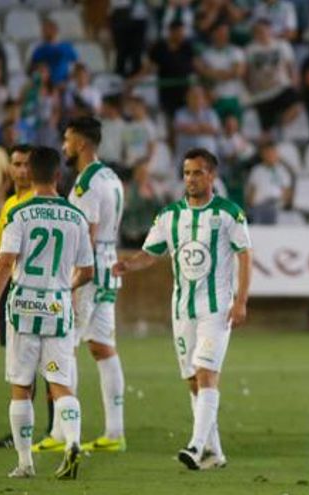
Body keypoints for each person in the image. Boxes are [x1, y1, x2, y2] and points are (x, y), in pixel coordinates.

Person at [113, 148, 252, 470]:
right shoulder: (169, 216)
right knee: (193, 380)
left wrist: (241, 300)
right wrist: (128, 265)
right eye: (187, 173)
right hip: (182, 309)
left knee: (205, 373)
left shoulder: (229, 213)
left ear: (212, 176)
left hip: (216, 308)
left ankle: (196, 446)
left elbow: (245, 255)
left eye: (197, 172)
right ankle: (214, 452)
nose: (191, 179)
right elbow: (150, 253)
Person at [0, 145, 94, 479]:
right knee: (60, 383)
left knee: (21, 385)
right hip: (58, 305)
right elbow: (87, 271)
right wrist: (64, 287)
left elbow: (4, 263)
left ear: (29, 174)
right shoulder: (76, 217)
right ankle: (72, 442)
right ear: (58, 175)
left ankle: (25, 463)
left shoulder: (20, 214)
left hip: (23, 306)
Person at [39, 117, 127, 454]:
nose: (64, 146)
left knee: (66, 344)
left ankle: (62, 433)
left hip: (89, 270)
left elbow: (85, 235)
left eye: (67, 139)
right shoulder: (111, 176)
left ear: (81, 143)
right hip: (109, 264)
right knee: (103, 346)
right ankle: (115, 433)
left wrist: (73, 278)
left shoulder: (86, 182)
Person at [0, 145, 32, 450]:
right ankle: (29, 432)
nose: (22, 170)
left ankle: (48, 430)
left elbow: (6, 257)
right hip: (12, 289)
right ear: (9, 169)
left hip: (26, 290)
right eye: (17, 164)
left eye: (27, 164)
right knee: (26, 364)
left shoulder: (30, 204)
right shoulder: (11, 203)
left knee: (33, 364)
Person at [246, 140, 295, 225]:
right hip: (259, 207)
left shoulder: (283, 171)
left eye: (272, 153)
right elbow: (251, 194)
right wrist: (252, 205)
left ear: (276, 154)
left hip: (276, 206)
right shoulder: (256, 170)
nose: (270, 155)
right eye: (267, 153)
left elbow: (287, 193)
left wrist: (283, 204)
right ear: (262, 155)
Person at [30, 18, 77, 87]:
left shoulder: (66, 47)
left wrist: (67, 81)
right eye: (43, 30)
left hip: (64, 85)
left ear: (55, 30)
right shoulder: (39, 50)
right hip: (46, 87)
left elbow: (76, 65)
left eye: (46, 29)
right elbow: (32, 70)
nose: (43, 32)